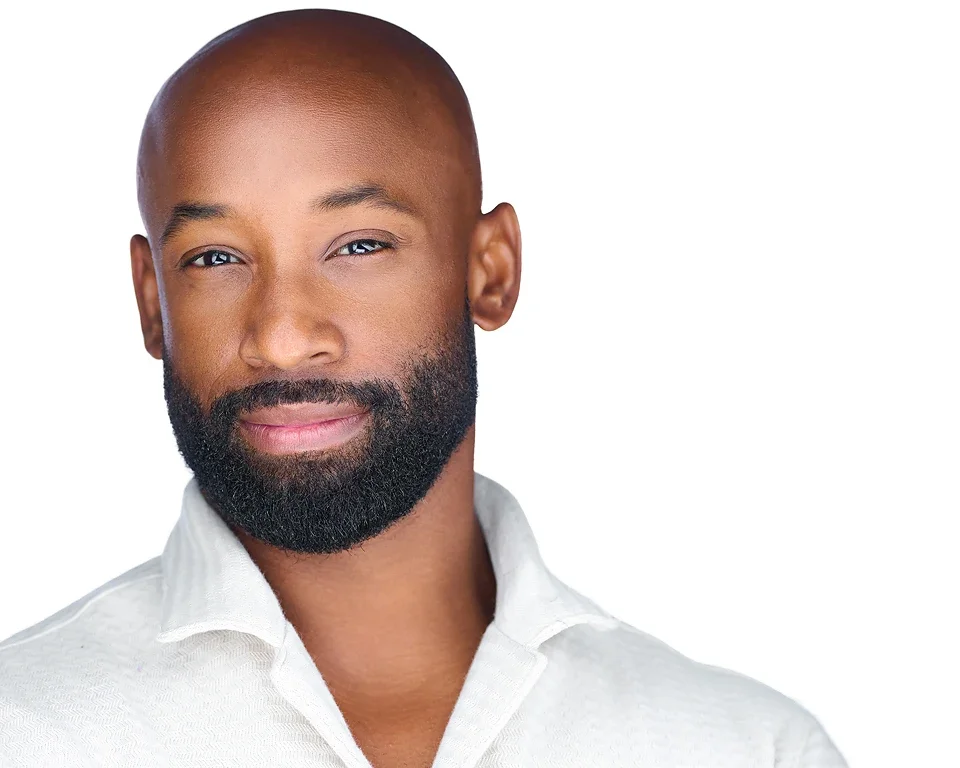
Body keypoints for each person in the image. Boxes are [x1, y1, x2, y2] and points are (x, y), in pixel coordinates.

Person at [0, 9, 847, 767]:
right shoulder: (25, 731)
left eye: (359, 245)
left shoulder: (744, 749)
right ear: (153, 303)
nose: (283, 335)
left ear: (491, 270)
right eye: (216, 258)